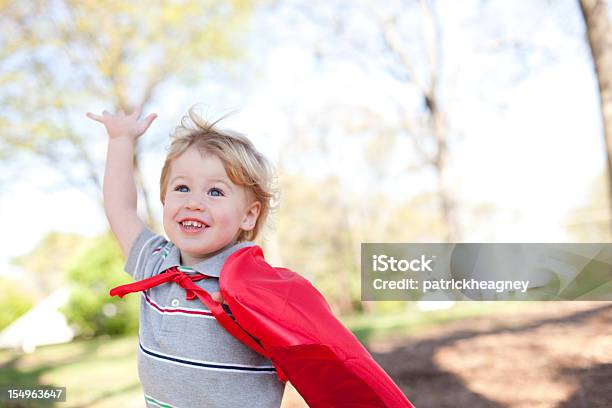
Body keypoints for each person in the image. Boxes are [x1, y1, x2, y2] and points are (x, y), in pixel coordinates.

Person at [86, 106, 285, 408]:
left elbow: (309, 347)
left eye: (215, 192)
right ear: (165, 199)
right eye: (182, 188)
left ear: (248, 215)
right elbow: (120, 209)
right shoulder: (154, 261)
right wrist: (121, 142)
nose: (194, 202)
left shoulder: (253, 279)